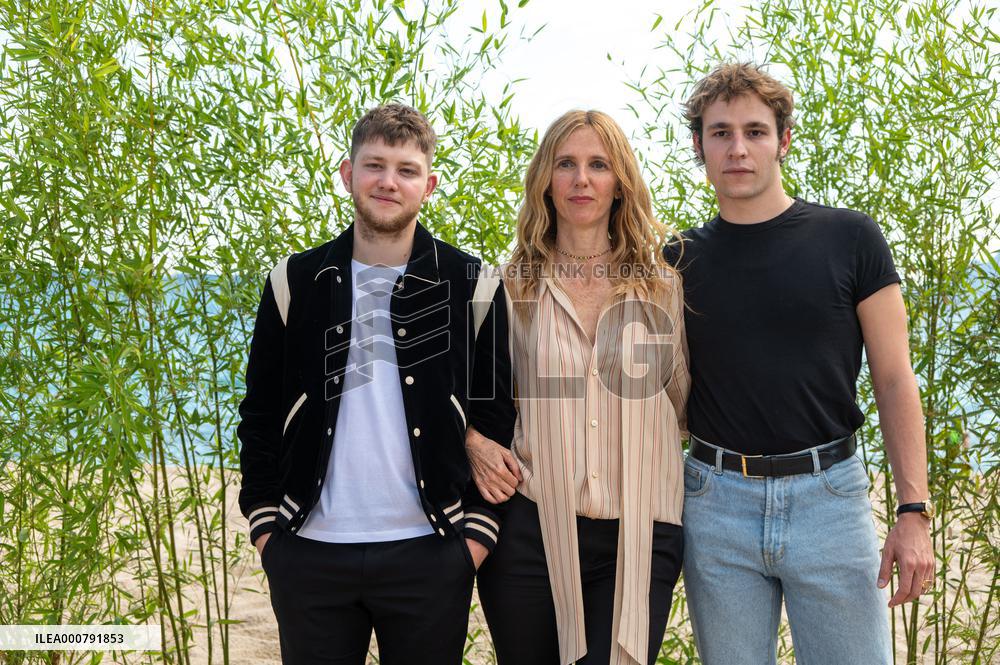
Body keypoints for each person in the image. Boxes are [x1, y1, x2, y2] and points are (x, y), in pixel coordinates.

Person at [663, 63, 935, 664]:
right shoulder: (675, 260)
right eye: (721, 132)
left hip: (830, 500)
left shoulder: (851, 238)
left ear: (783, 141)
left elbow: (894, 380)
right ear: (698, 146)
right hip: (715, 504)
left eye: (755, 132)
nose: (738, 148)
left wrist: (912, 510)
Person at [236, 103, 515, 665]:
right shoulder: (293, 282)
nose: (389, 182)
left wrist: (475, 542)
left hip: (431, 553)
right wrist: (267, 526)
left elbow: (498, 417)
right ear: (347, 173)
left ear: (429, 184)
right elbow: (260, 412)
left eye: (407, 170)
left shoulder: (475, 284)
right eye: (375, 165)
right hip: (309, 553)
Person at [466, 109, 690, 665]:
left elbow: (679, 399)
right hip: (529, 531)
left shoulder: (662, 285)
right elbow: (479, 401)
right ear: (545, 179)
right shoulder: (505, 287)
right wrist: (472, 441)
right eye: (566, 164)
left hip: (639, 533)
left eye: (598, 165)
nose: (581, 179)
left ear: (621, 184)